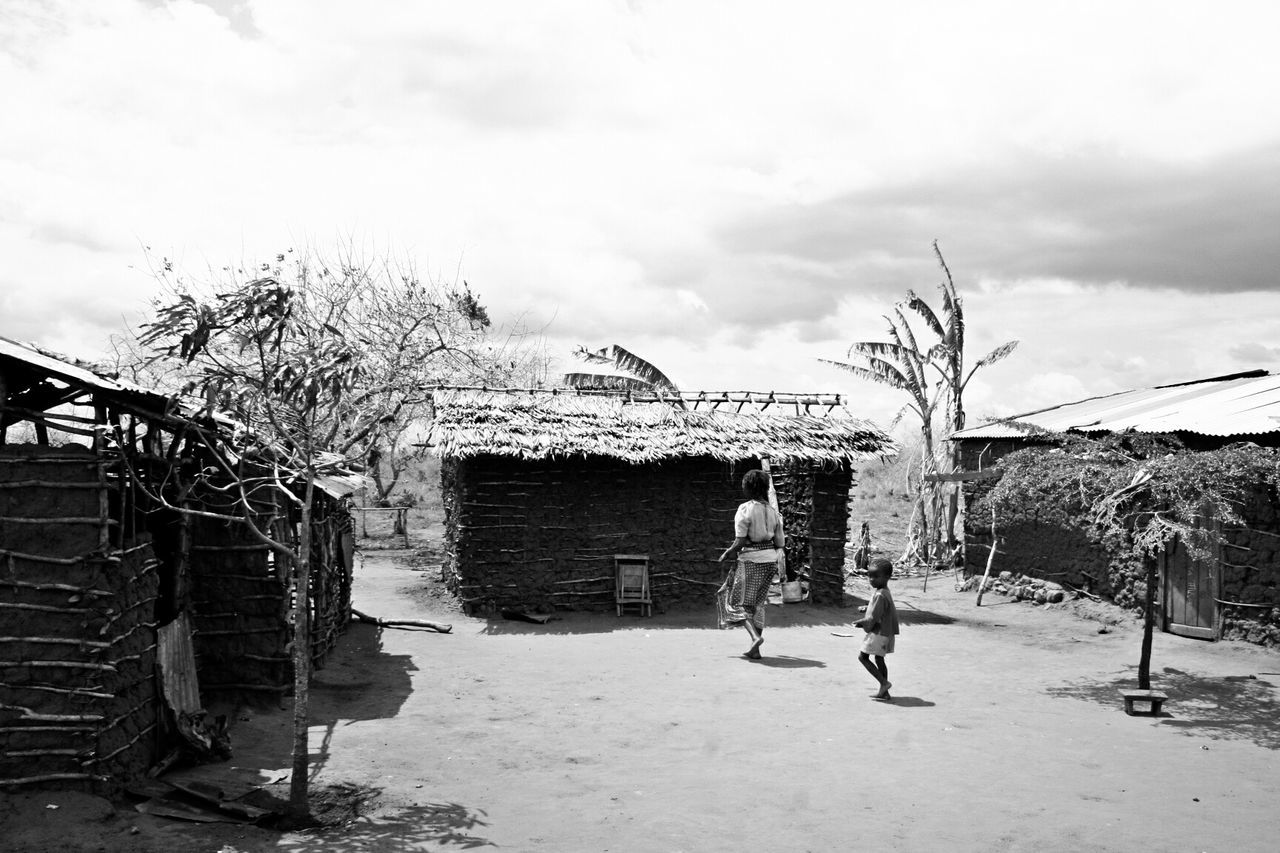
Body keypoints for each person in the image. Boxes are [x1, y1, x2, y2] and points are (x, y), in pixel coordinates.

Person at [717, 469, 785, 660]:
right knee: (758, 604)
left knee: (738, 601)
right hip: (770, 561)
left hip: (751, 561)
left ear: (748, 487)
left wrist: (728, 552)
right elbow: (780, 543)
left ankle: (755, 638)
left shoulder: (745, 509)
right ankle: (755, 651)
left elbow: (739, 541)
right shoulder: (773, 512)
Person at [854, 558, 900, 700]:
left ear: (887, 577)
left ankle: (884, 683)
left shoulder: (880, 594)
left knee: (863, 657)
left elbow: (873, 617)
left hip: (879, 632)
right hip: (886, 631)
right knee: (879, 659)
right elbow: (878, 609)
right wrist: (866, 608)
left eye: (875, 576)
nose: (871, 579)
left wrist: (862, 622)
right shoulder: (884, 591)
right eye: (870, 576)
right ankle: (884, 692)